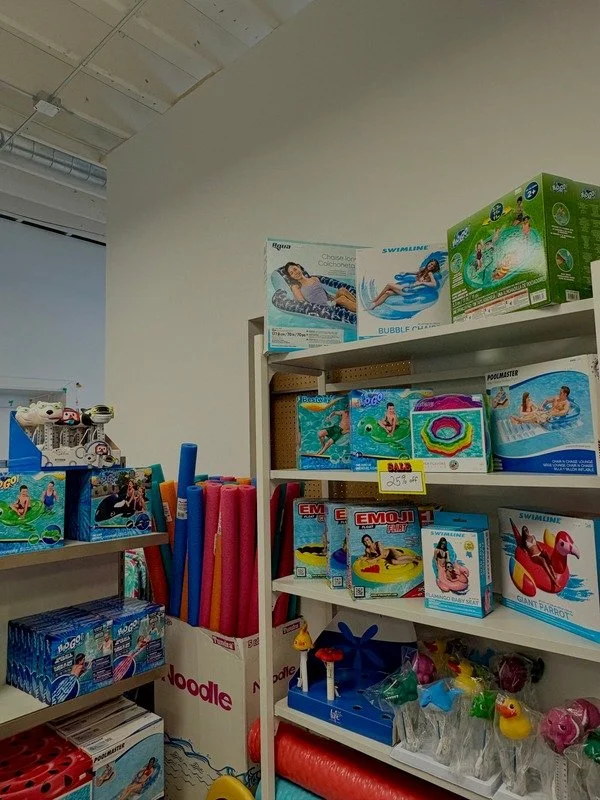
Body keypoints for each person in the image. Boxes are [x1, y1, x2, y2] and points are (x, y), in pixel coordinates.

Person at [282, 262, 356, 312]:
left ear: (298, 267)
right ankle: (360, 310)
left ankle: (358, 306)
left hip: (328, 302)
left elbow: (323, 294)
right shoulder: (296, 287)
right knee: (342, 299)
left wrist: (333, 299)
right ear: (291, 277)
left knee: (342, 290)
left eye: (295, 269)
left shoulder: (315, 279)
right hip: (322, 307)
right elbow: (303, 303)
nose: (295, 273)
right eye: (292, 273)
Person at [370, 259, 441, 309]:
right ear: (429, 263)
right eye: (431, 264)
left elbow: (434, 284)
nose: (431, 266)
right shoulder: (423, 269)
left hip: (412, 291)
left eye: (433, 266)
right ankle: (374, 305)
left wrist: (423, 282)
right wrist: (407, 272)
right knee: (387, 293)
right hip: (408, 289)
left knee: (389, 285)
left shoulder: (430, 273)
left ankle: (376, 298)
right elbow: (416, 272)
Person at [520, 524, 558, 590]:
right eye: (524, 530)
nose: (526, 531)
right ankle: (552, 580)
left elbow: (537, 544)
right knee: (543, 560)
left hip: (539, 553)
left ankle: (553, 572)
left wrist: (541, 550)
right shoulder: (524, 541)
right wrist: (524, 551)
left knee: (546, 553)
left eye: (526, 529)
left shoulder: (532, 536)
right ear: (523, 532)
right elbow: (522, 547)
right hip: (534, 556)